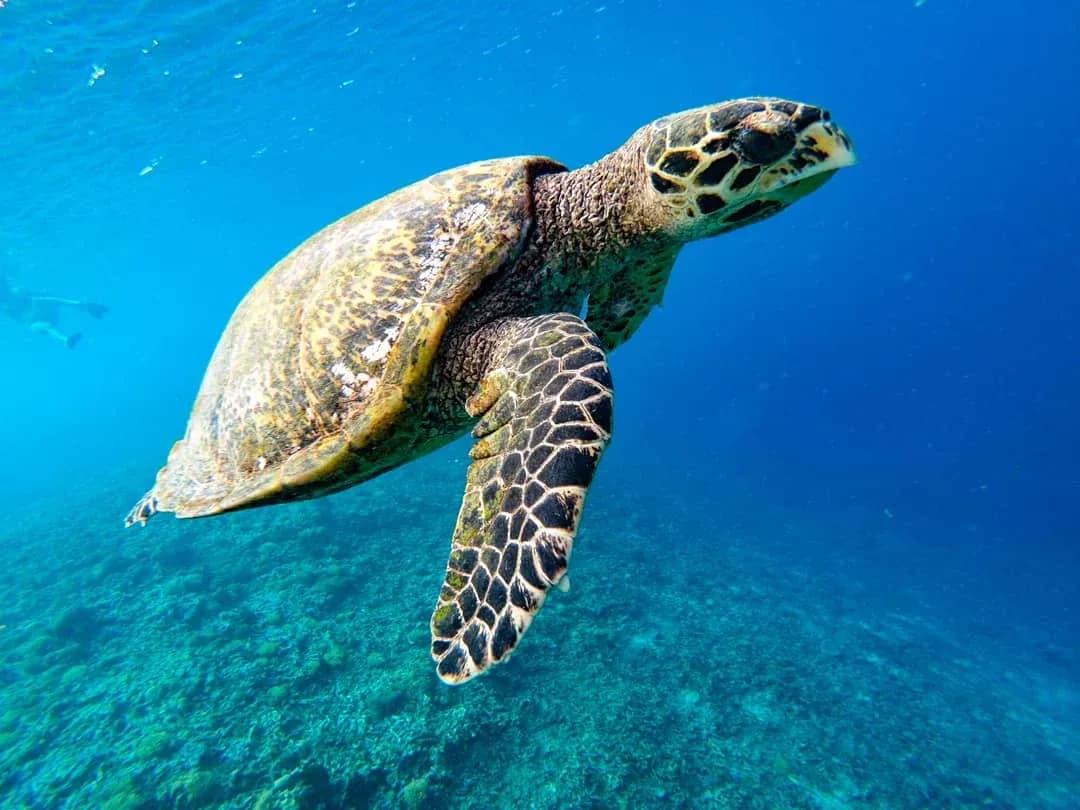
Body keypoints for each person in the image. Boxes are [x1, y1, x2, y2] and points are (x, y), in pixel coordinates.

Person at [0, 271, 107, 348]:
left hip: (48, 313)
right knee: (37, 327)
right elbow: (21, 320)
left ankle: (86, 306)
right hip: (42, 321)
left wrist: (43, 294)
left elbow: (42, 295)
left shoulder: (18, 292)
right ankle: (65, 340)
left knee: (42, 300)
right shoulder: (8, 307)